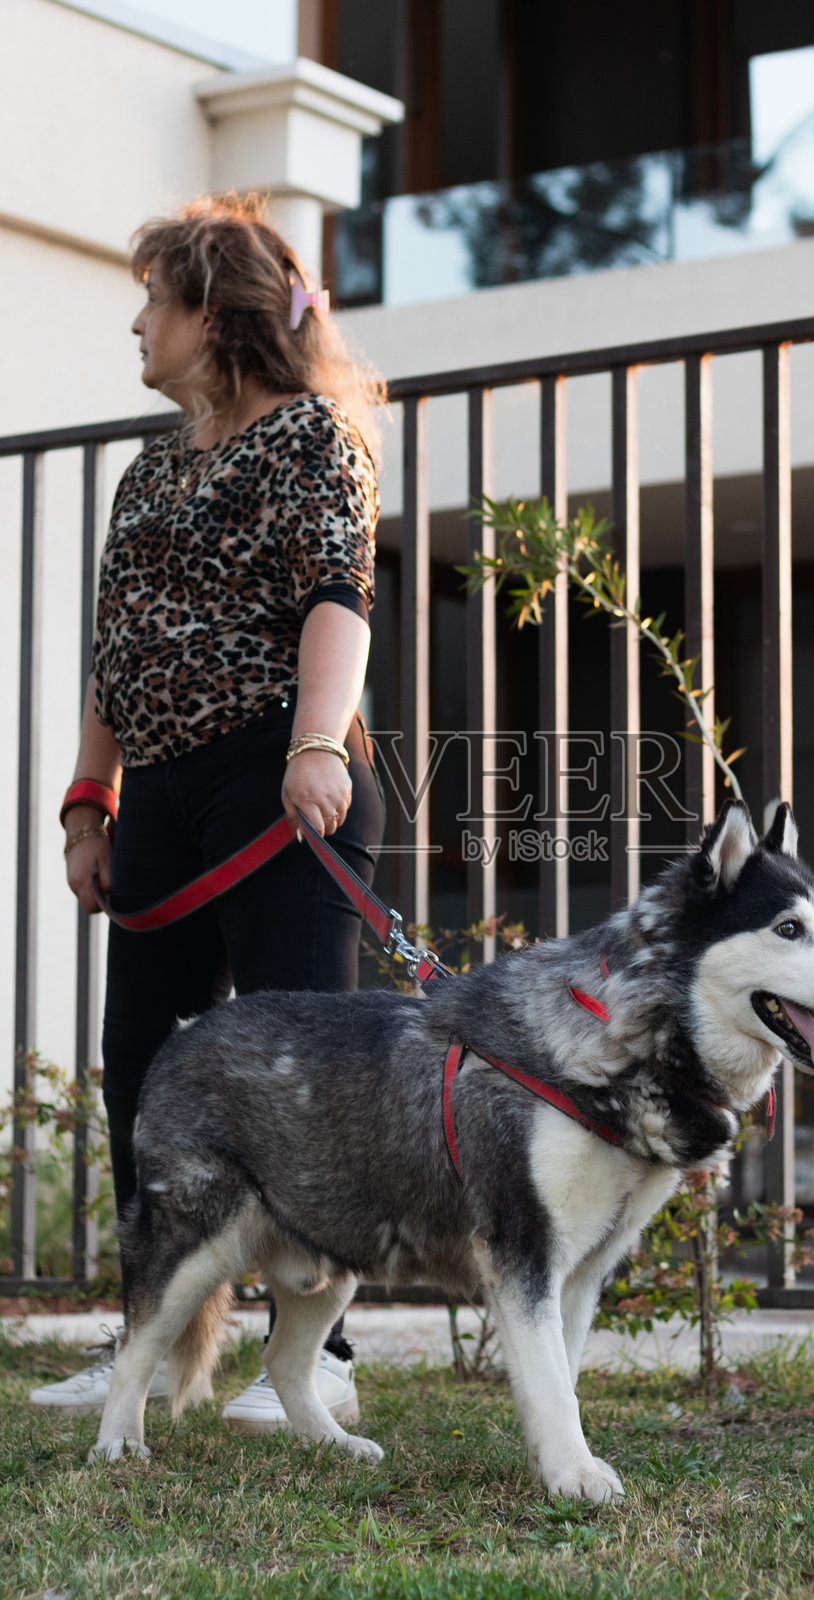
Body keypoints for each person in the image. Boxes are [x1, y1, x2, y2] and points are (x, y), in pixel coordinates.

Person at [30, 194, 385, 1430]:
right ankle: (152, 1346)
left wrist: (314, 743)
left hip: (275, 775)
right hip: (165, 795)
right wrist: (89, 809)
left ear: (211, 316)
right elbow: (114, 653)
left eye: (151, 300)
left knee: (306, 1079)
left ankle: (319, 1357)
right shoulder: (147, 467)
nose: (135, 321)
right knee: (148, 1075)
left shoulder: (312, 440)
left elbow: (337, 599)